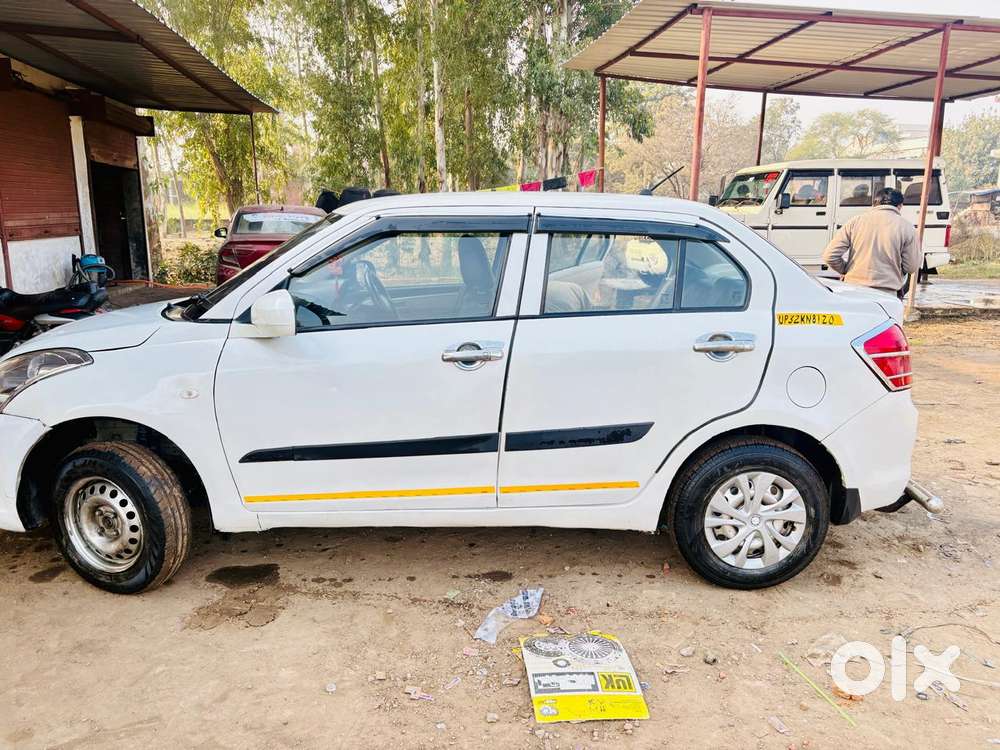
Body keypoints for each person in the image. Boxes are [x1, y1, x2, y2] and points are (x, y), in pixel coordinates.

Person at [821, 187, 920, 297]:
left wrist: (847, 270)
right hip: (887, 293)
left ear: (874, 203)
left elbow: (829, 256)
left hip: (854, 289)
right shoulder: (907, 227)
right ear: (900, 206)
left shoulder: (855, 222)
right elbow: (912, 267)